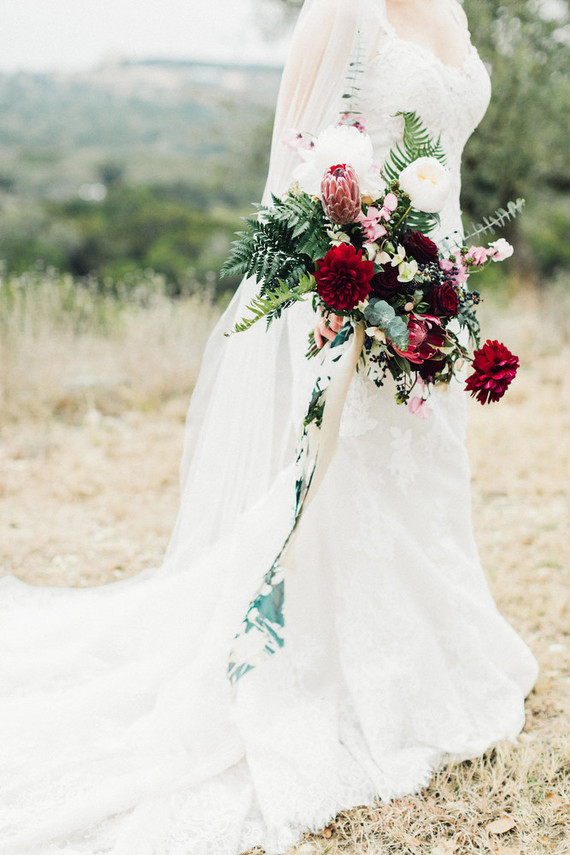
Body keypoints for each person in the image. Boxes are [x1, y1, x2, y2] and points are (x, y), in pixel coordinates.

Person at [0, 1, 539, 853]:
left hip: (433, 289)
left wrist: (440, 289)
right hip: (354, 295)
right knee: (346, 482)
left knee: (427, 467)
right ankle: (325, 669)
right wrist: (354, 287)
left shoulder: (454, 9)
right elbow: (294, 167)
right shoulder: (344, 10)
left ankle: (432, 665)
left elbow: (447, 168)